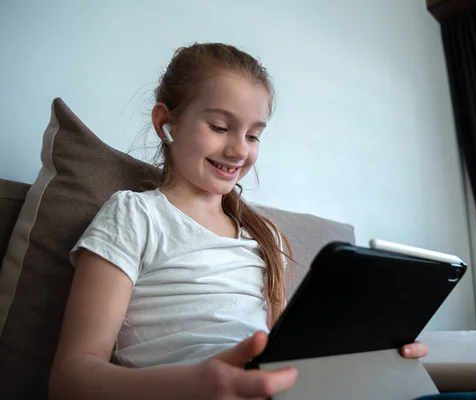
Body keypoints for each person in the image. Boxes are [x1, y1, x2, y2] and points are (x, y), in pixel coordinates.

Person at [49, 43, 429, 400]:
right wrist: (190, 384)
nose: (239, 150)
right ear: (167, 123)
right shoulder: (134, 215)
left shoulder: (266, 238)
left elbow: (283, 356)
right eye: (219, 127)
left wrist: (374, 352)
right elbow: (70, 379)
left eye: (253, 135)